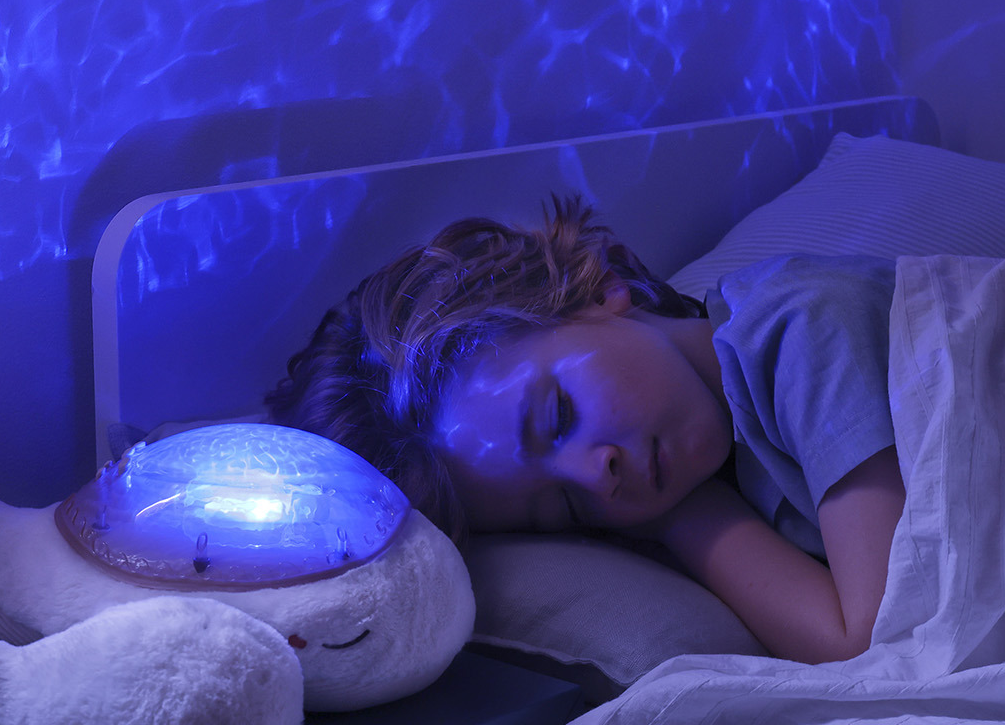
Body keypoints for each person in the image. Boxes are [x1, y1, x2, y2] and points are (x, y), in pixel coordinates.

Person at [264, 196, 907, 664]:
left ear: (591, 290)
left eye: (558, 417)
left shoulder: (802, 330)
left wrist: (688, 519)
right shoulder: (732, 458)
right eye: (564, 507)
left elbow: (880, 639)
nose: (596, 478)